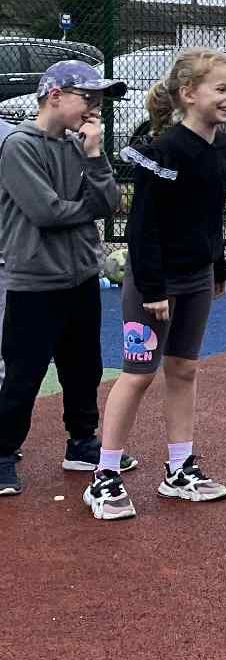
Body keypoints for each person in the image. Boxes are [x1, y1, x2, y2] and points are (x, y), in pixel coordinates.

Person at [87, 50, 226, 519]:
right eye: (221, 88)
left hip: (197, 277)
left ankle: (179, 469)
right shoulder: (164, 150)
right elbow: (143, 225)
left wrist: (218, 266)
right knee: (138, 375)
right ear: (188, 93)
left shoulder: (222, 148)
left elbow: (212, 217)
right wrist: (153, 288)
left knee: (184, 369)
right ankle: (104, 476)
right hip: (154, 281)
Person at [0, 60, 125, 501]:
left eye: (99, 101)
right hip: (35, 279)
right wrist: (88, 211)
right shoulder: (19, 146)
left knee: (84, 365)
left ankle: (82, 442)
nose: (95, 109)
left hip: (81, 275)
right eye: (87, 98)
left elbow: (109, 201)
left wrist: (95, 155)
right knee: (25, 371)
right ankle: (3, 451)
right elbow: (46, 212)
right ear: (55, 95)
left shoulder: (80, 145)